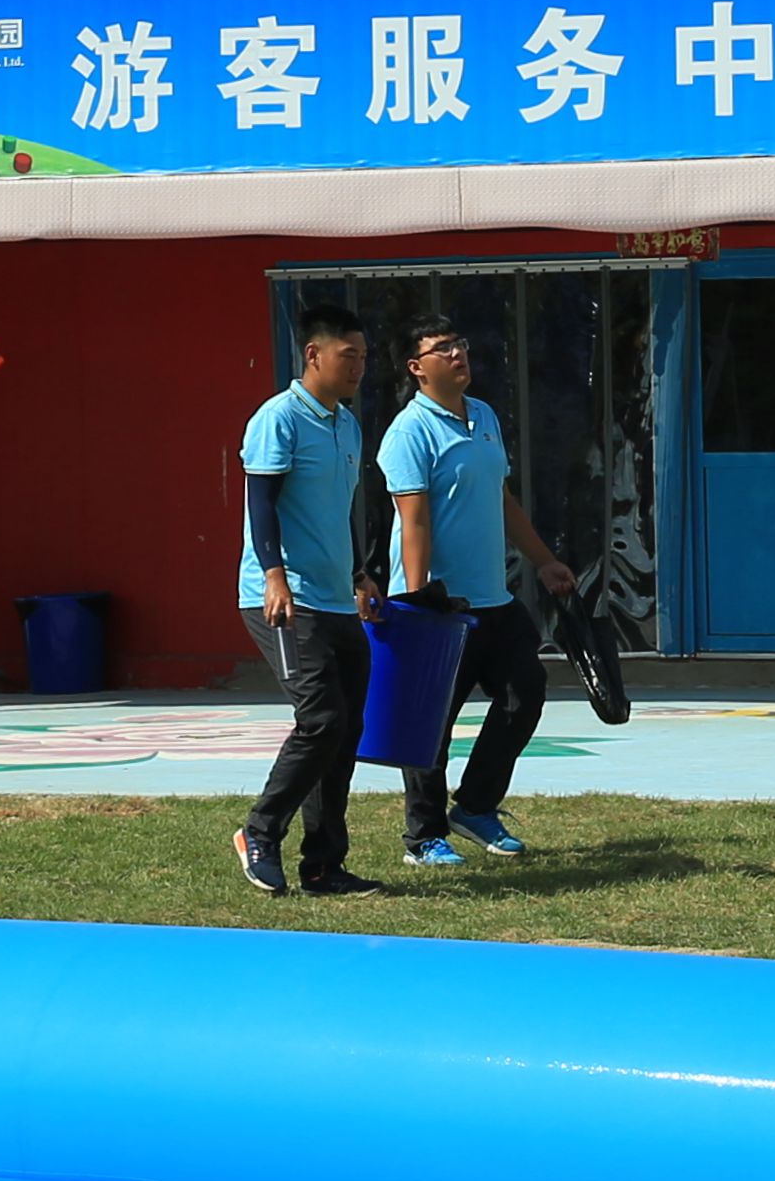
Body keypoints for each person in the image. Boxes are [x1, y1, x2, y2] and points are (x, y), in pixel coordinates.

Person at [379, 319, 573, 867]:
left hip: (492, 597)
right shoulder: (409, 432)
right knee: (429, 726)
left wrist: (544, 561)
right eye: (443, 349)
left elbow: (502, 498)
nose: (459, 353)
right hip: (438, 605)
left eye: (461, 343)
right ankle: (423, 836)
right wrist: (417, 602)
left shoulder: (483, 415)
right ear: (417, 368)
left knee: (524, 692)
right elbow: (412, 522)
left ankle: (477, 806)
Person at [229, 306, 379, 900]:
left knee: (345, 731)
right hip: (283, 599)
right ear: (313, 355)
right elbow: (260, 504)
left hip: (337, 599)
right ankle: (259, 833)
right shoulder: (278, 419)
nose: (360, 368)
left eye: (364, 357)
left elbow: (336, 513)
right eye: (350, 356)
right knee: (321, 720)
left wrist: (361, 573)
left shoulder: (346, 424)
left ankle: (323, 865)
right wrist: (273, 575)